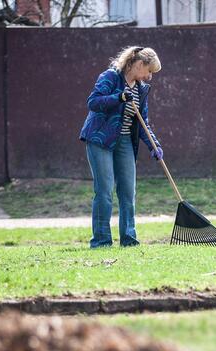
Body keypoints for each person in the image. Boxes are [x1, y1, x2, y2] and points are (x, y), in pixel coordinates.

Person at [79, 46, 163, 248]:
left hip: (125, 141)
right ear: (139, 64)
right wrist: (119, 97)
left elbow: (143, 121)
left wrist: (154, 145)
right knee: (104, 190)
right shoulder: (110, 76)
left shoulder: (142, 89)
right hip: (101, 139)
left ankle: (129, 239)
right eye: (149, 71)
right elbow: (93, 102)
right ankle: (101, 241)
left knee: (127, 191)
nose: (149, 76)